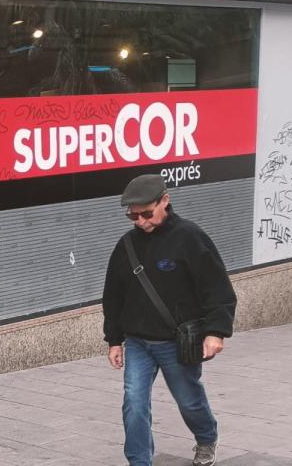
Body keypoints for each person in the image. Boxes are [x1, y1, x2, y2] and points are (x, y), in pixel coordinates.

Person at [102, 174, 237, 466]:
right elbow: (113, 296)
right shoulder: (126, 246)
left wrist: (216, 331)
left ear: (165, 201)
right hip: (138, 342)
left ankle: (206, 437)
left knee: (188, 401)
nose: (140, 222)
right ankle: (139, 462)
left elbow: (217, 288)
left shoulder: (190, 237)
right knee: (134, 404)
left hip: (177, 343)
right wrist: (114, 339)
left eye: (147, 214)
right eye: (133, 216)